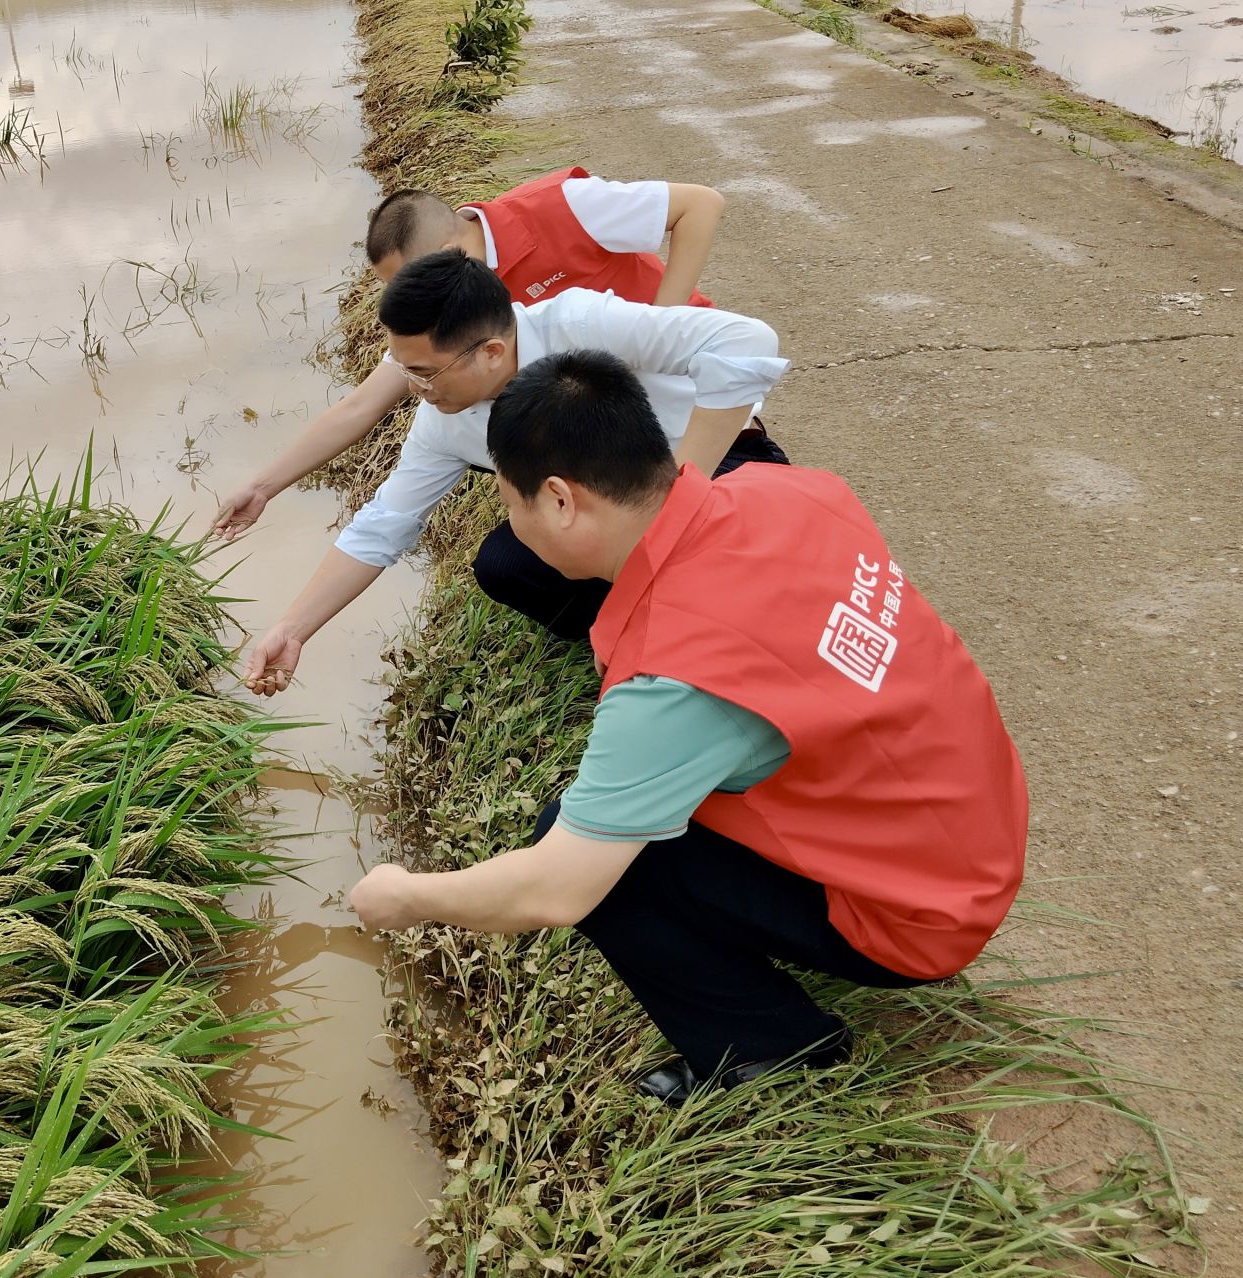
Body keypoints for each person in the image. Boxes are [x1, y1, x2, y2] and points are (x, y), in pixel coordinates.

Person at [348, 351, 1029, 1102]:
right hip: (970, 822)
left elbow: (553, 893)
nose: (513, 526)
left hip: (923, 911)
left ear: (562, 500)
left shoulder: (681, 674)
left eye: (512, 504)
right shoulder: (784, 490)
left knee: (588, 856)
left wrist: (403, 895)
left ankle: (774, 1047)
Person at [240, 251, 788, 695]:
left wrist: (682, 492)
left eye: (425, 372)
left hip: (716, 471)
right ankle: (632, 625)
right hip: (597, 514)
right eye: (404, 370)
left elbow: (746, 342)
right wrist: (292, 630)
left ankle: (704, 610)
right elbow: (385, 523)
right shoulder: (443, 420)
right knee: (505, 564)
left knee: (747, 584)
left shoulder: (579, 323)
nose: (414, 389)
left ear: (492, 352)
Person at [211, 168, 726, 541]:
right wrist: (263, 486)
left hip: (676, 383)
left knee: (703, 509)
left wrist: (665, 324)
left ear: (450, 249)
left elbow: (700, 204)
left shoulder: (560, 207)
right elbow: (360, 406)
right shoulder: (451, 319)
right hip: (598, 420)